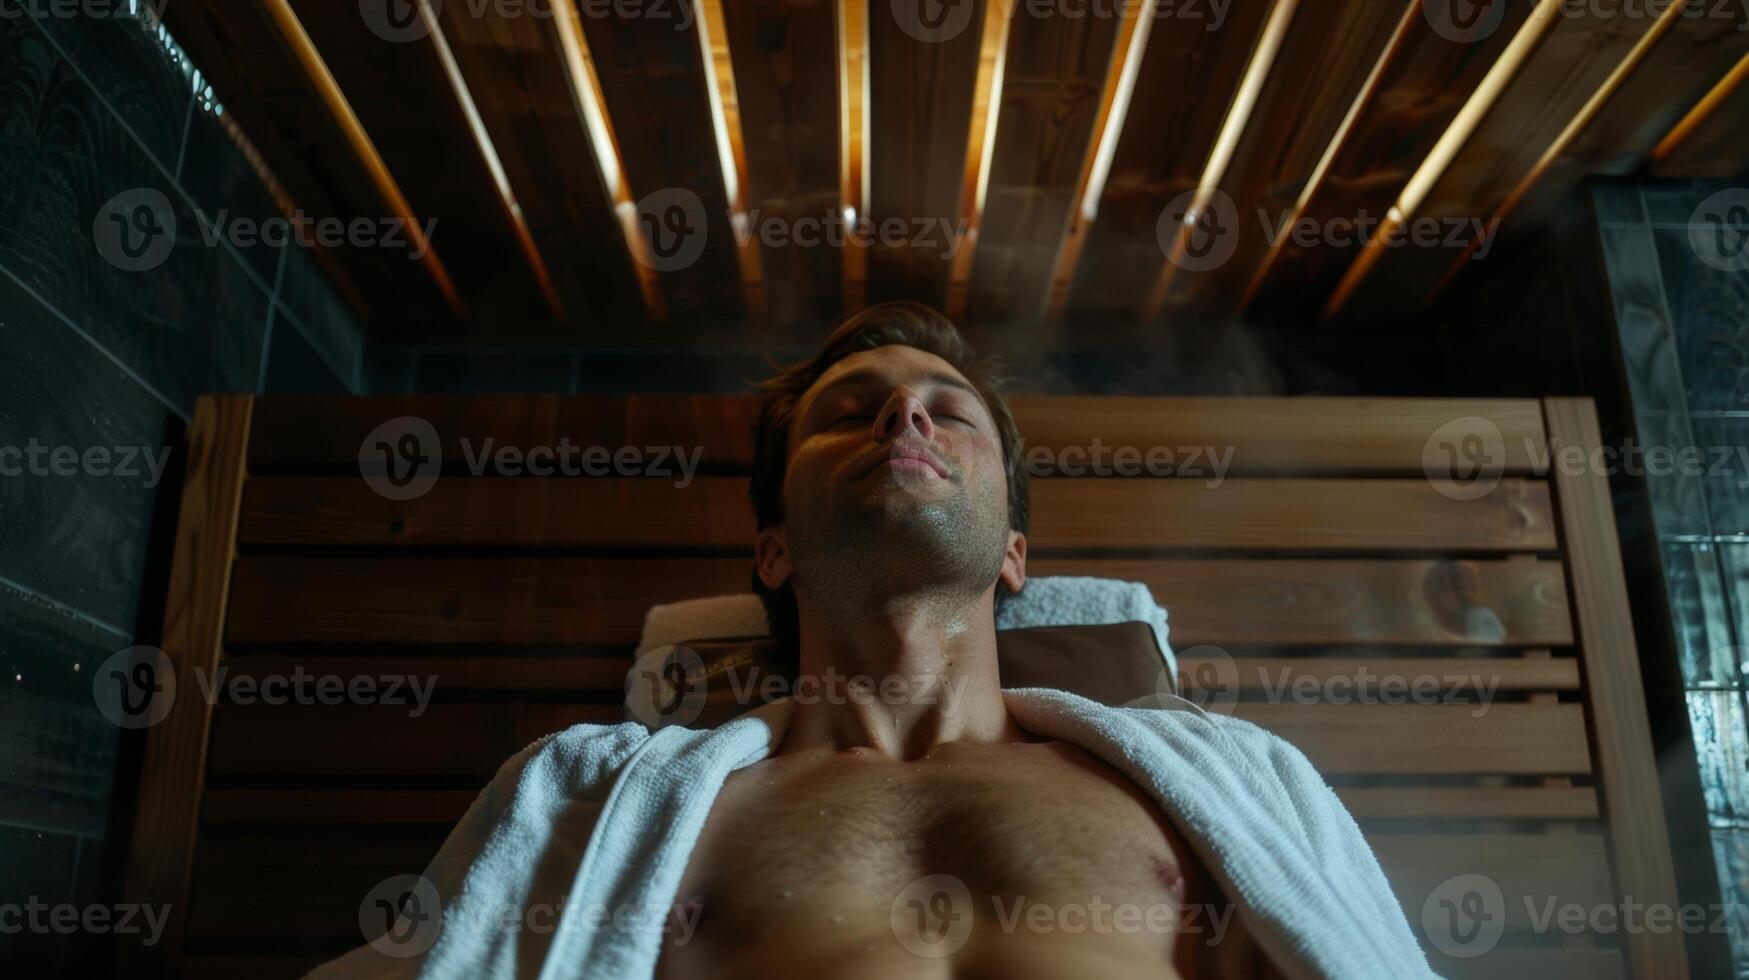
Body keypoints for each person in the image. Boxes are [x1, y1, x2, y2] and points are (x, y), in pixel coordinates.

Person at [313, 303, 1433, 979]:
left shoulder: (1228, 786)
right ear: (773, 552)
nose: (904, 416)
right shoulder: (594, 799)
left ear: (1013, 558)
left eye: (950, 410)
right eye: (851, 409)